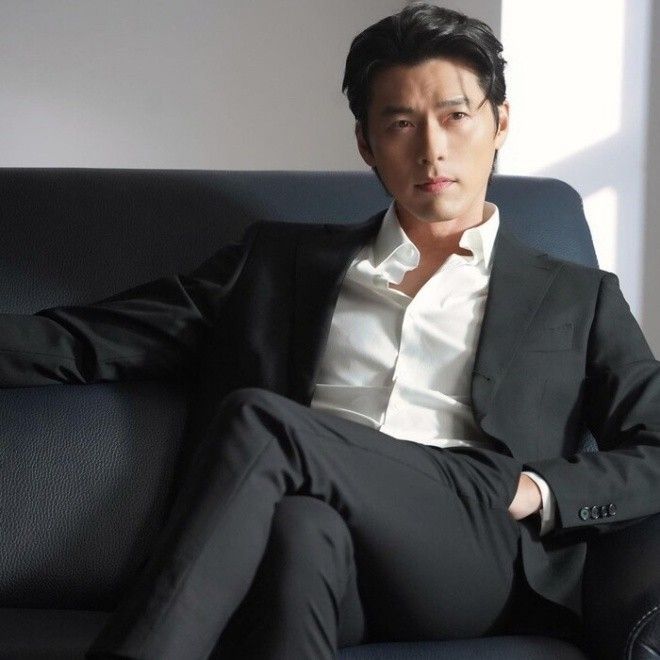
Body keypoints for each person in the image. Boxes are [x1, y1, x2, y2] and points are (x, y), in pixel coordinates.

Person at [1, 3, 658, 659]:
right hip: (323, 536)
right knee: (299, 527)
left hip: (471, 543)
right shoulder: (279, 266)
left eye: (456, 116)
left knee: (263, 422)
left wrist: (538, 490)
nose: (432, 149)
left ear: (500, 123)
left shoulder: (577, 296)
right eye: (401, 124)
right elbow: (91, 340)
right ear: (367, 144)